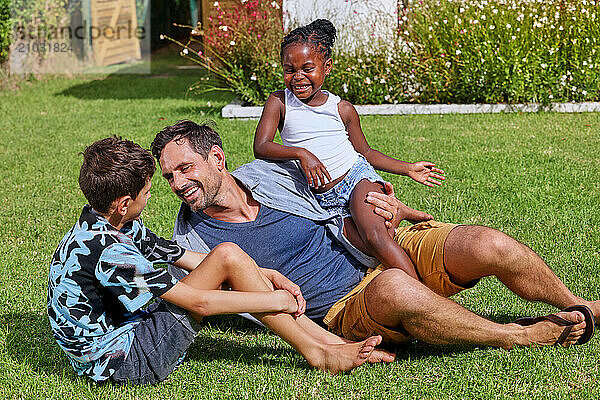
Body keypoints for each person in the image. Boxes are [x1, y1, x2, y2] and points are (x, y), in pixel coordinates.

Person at [151, 120, 596, 351]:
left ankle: (574, 306)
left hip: (373, 246)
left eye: (185, 169)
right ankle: (516, 335)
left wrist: (391, 206)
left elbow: (344, 192)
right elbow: (199, 300)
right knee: (398, 286)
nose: (177, 184)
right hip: (345, 306)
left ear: (216, 158)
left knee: (487, 243)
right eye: (169, 176)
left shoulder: (273, 173)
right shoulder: (192, 241)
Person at [47, 137, 395, 386]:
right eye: (148, 191)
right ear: (124, 203)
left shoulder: (106, 221)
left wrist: (264, 272)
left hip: (133, 333)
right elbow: (199, 301)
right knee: (226, 258)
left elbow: (181, 256)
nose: (154, 195)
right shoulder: (110, 251)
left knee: (227, 252)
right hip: (129, 360)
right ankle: (319, 352)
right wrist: (274, 298)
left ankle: (327, 345)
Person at [253, 19, 445, 279]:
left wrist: (408, 168)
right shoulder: (278, 102)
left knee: (377, 237)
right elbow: (261, 147)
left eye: (307, 68)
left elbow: (365, 152)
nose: (298, 77)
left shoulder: (342, 109)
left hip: (354, 180)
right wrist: (301, 153)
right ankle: (399, 212)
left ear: (327, 67)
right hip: (319, 201)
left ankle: (422, 297)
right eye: (289, 69)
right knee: (367, 251)